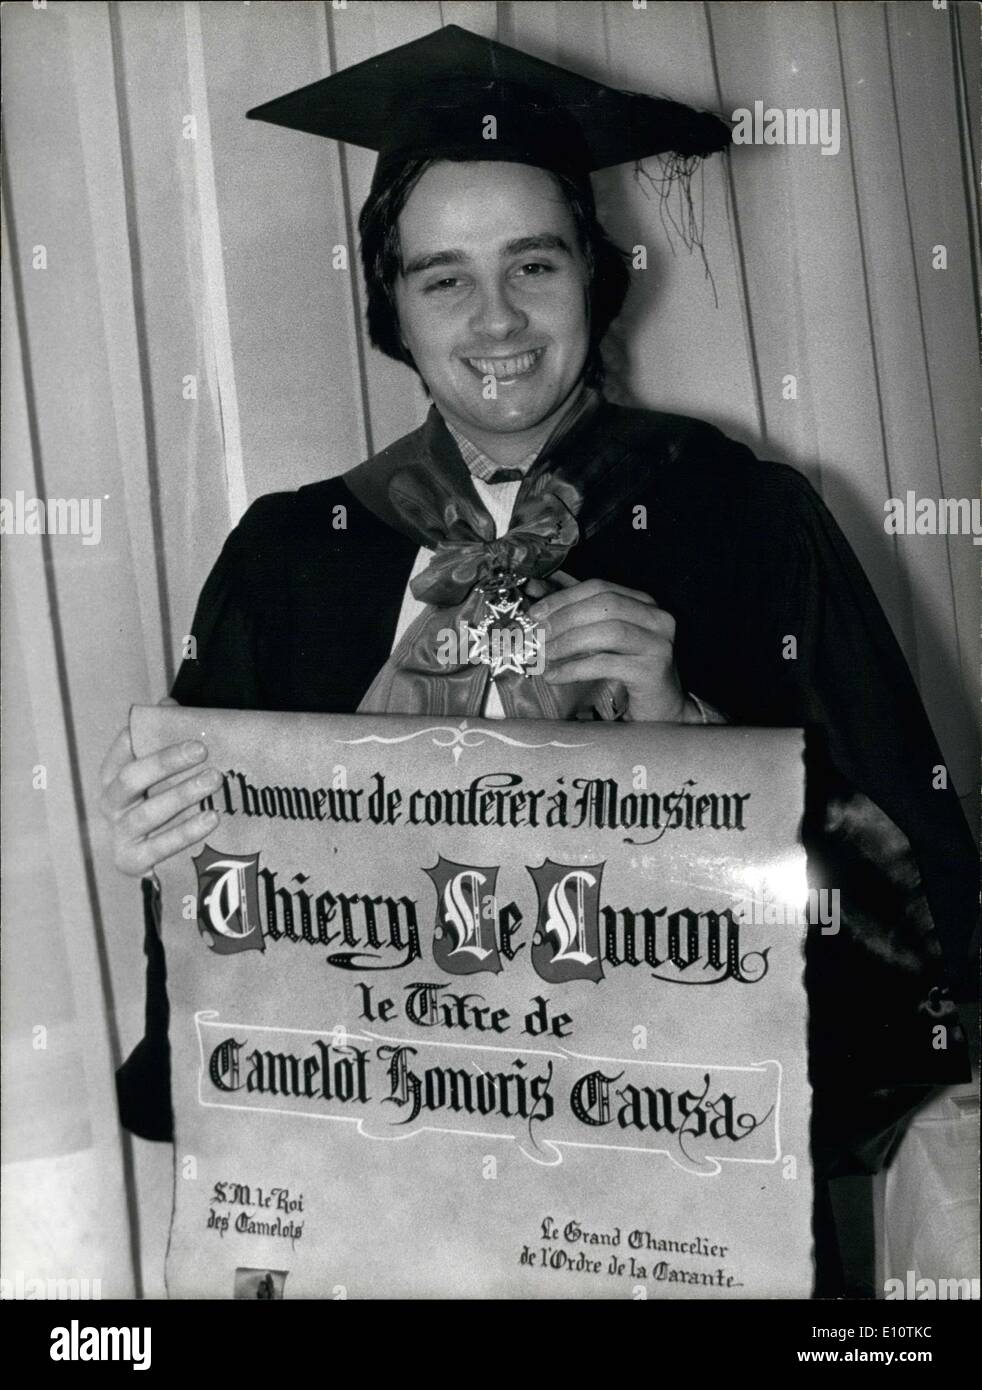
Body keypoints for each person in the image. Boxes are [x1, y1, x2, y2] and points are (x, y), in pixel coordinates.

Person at [99, 25, 974, 1293]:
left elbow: (920, 915)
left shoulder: (748, 520)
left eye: (533, 264)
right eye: (441, 277)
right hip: (390, 1199)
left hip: (686, 1205)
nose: (495, 319)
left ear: (596, 279)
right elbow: (236, 936)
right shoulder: (292, 554)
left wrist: (697, 740)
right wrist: (165, 850)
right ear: (389, 305)